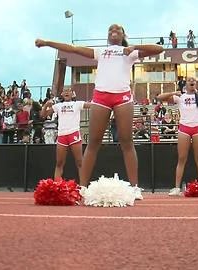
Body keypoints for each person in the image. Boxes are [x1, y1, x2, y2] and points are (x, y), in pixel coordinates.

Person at [36, 24, 164, 200]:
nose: (113, 31)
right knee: (93, 143)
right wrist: (47, 42)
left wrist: (134, 47)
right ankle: (82, 188)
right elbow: (72, 49)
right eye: (110, 30)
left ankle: (135, 188)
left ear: (123, 35)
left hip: (123, 97)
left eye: (118, 30)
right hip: (101, 97)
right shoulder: (101, 52)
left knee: (127, 141)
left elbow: (159, 48)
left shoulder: (129, 52)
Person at [40, 88, 90, 179]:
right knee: (59, 163)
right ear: (62, 94)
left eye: (69, 91)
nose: (67, 92)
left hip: (74, 134)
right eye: (65, 91)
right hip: (62, 135)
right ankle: (57, 187)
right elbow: (42, 115)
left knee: (79, 162)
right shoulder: (58, 106)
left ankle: (83, 186)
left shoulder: (77, 104)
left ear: (73, 94)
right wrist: (46, 104)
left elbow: (92, 105)